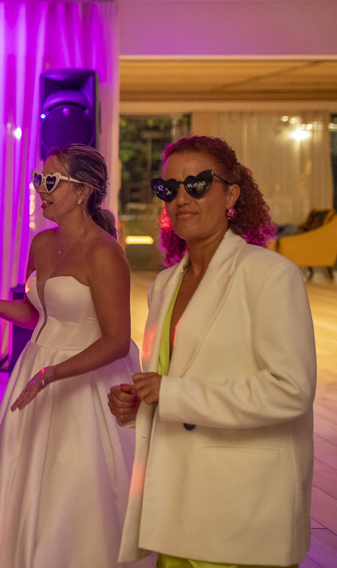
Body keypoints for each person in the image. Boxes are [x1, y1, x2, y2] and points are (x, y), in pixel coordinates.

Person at [108, 136, 315, 568]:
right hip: (175, 507)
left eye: (197, 184)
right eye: (169, 188)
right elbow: (177, 381)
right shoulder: (165, 285)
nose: (181, 198)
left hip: (241, 507)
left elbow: (291, 390)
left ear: (231, 195)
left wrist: (172, 393)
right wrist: (140, 405)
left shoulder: (270, 275)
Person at [0, 144, 140, 567]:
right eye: (38, 179)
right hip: (36, 369)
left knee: (73, 488)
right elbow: (39, 314)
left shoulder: (105, 253)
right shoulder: (43, 243)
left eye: (51, 181)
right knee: (19, 477)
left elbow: (117, 340)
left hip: (85, 379)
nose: (40, 190)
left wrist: (54, 373)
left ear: (82, 191)